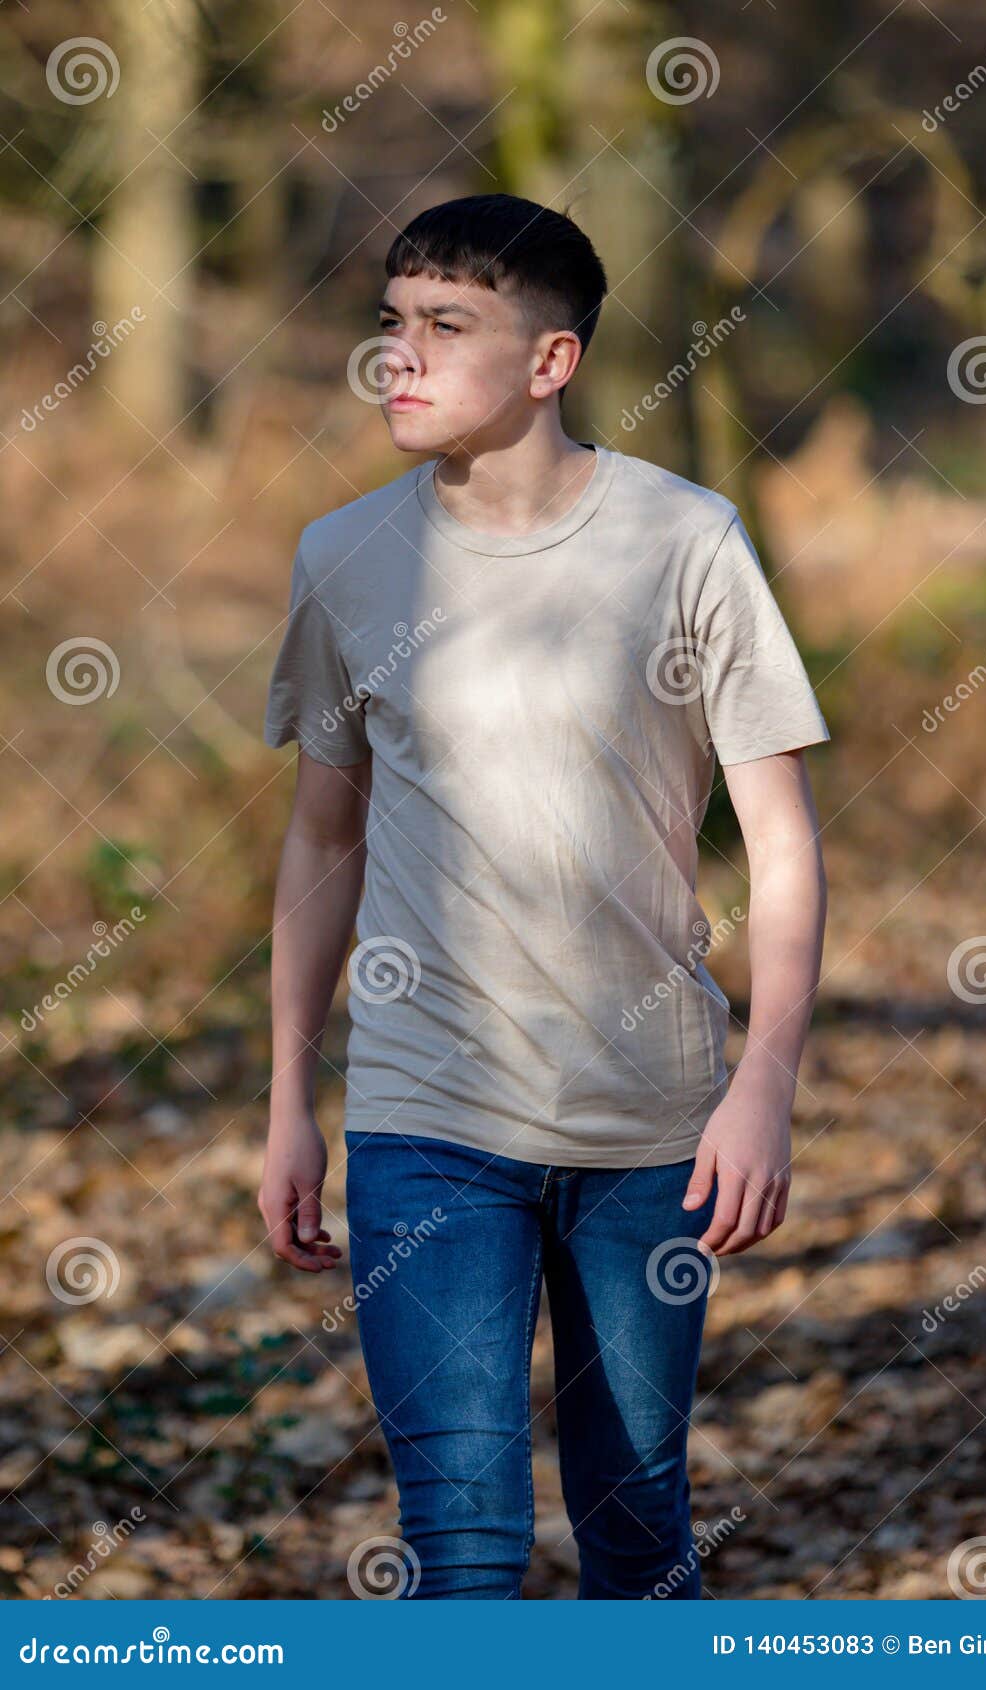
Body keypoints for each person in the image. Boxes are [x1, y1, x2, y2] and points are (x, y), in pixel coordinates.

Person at [258, 193, 830, 1600]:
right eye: (394, 323)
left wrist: (767, 1078)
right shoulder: (344, 556)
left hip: (650, 1124)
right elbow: (323, 836)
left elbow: (784, 843)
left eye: (448, 327)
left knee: (637, 1535)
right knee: (462, 1543)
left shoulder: (687, 540)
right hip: (425, 1114)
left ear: (551, 362)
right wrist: (287, 1093)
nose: (401, 355)